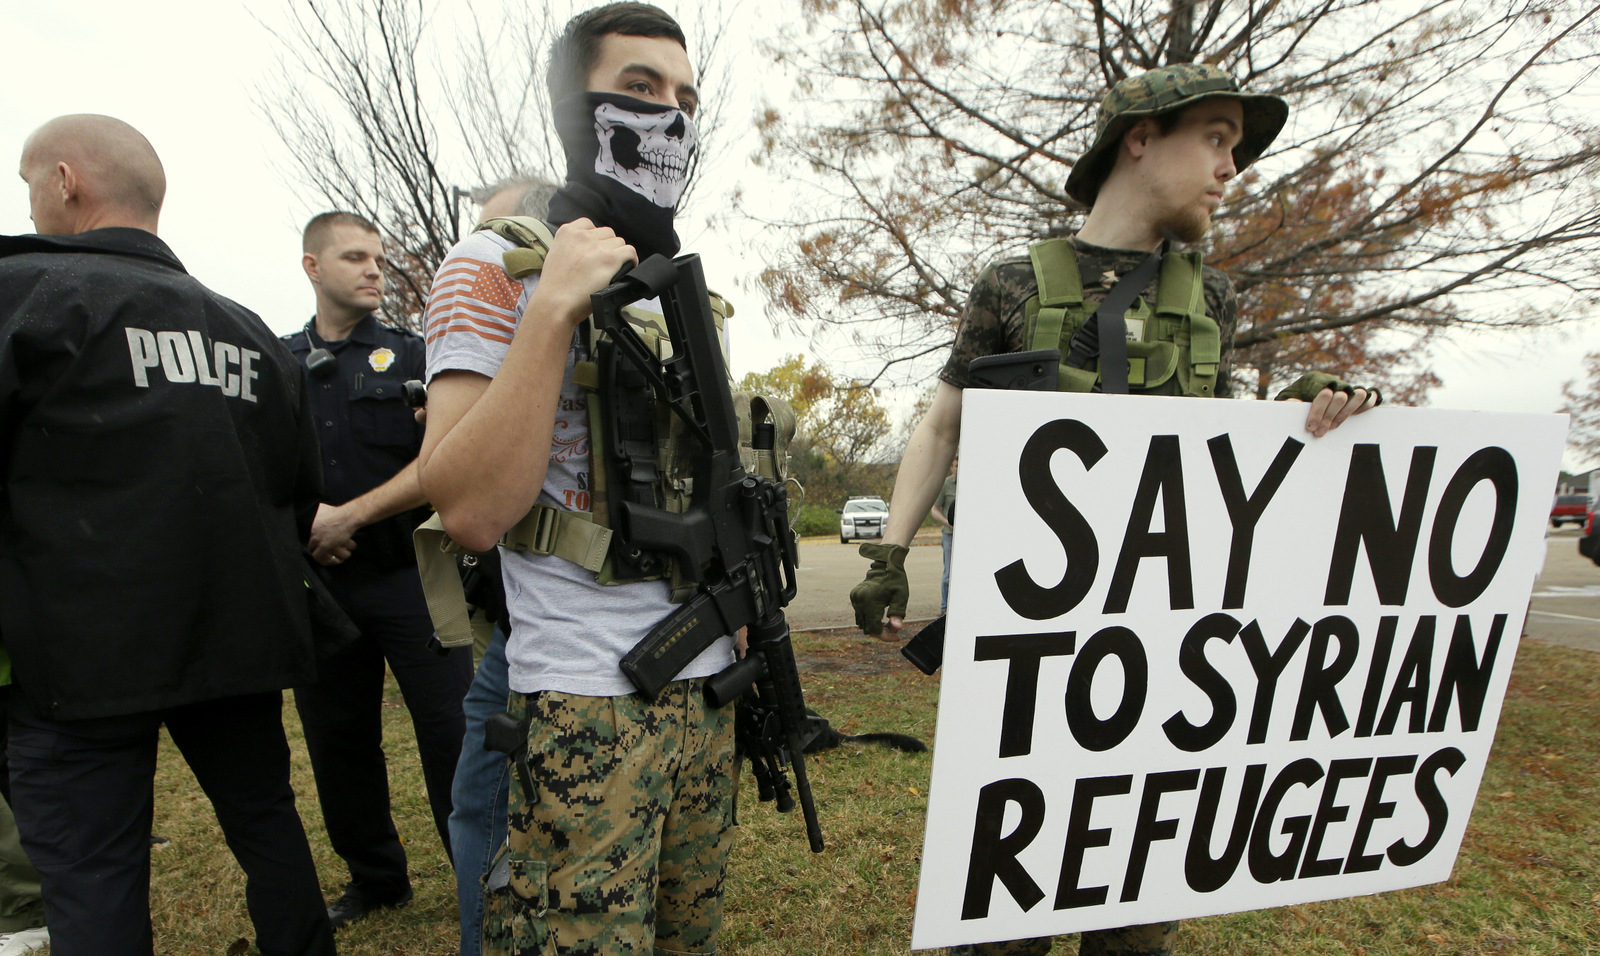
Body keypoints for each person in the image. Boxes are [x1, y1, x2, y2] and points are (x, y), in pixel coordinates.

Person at [849, 65, 1379, 956]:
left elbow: (1218, 456)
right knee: (1005, 903)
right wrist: (889, 553)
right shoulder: (1012, 283)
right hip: (1030, 643)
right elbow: (945, 419)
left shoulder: (1211, 299)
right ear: (1140, 138)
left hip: (1159, 650)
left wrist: (1312, 410)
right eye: (1215, 138)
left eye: (1235, 149)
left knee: (1134, 903)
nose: (1230, 167)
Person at [417, 4, 738, 953]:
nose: (668, 118)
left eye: (685, 98)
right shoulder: (493, 264)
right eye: (639, 89)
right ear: (574, 105)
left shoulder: (683, 286)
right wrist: (553, 308)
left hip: (711, 684)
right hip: (583, 700)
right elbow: (469, 508)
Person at [0, 114, 334, 956]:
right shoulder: (252, 331)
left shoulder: (25, 293)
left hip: (77, 660)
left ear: (66, 182)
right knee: (269, 828)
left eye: (29, 179)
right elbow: (299, 493)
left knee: (94, 875)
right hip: (237, 641)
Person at [283, 211, 475, 928]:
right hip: (322, 588)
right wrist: (309, 527)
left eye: (378, 259)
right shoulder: (278, 363)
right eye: (354, 257)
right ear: (312, 267)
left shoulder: (416, 358)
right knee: (339, 742)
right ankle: (376, 877)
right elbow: (264, 468)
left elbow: (441, 465)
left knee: (451, 731)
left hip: (410, 579)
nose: (373, 271)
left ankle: (478, 872)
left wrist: (349, 517)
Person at [442, 177, 554, 956]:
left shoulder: (546, 325)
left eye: (500, 239)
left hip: (541, 632)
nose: (482, 254)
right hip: (520, 622)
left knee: (482, 805)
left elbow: (471, 513)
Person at [932, 456, 958, 615]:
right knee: (948, 574)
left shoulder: (972, 482)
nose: (957, 468)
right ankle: (944, 608)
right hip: (950, 534)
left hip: (968, 537)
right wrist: (947, 521)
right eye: (955, 465)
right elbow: (935, 509)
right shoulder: (946, 485)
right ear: (951, 467)